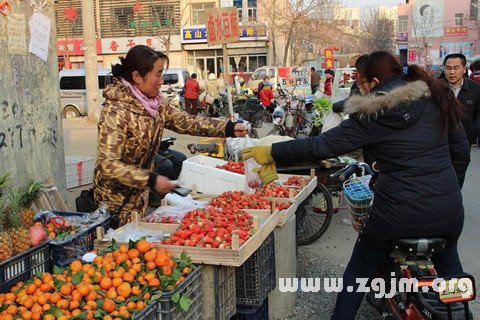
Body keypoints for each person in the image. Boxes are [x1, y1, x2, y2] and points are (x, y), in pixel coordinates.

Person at [242, 51, 470, 320]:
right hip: (447, 210)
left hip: (396, 215)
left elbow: (322, 145)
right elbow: (462, 152)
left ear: (373, 82)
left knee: (359, 270)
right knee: (450, 268)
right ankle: (459, 312)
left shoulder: (374, 113)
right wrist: (449, 190)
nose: (359, 89)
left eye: (360, 82)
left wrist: (272, 153)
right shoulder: (437, 97)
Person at [93, 45, 248, 227]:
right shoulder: (115, 111)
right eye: (157, 74)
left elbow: (186, 121)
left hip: (138, 196)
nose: (162, 81)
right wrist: (151, 179)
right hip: (114, 200)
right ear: (136, 77)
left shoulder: (155, 103)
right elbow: (108, 165)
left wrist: (228, 128)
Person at [442, 53, 480, 178]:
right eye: (448, 68)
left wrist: (472, 132)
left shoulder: (476, 89)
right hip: (438, 143)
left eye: (456, 68)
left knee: (458, 178)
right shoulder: (436, 87)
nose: (451, 72)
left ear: (464, 69)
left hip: (463, 143)